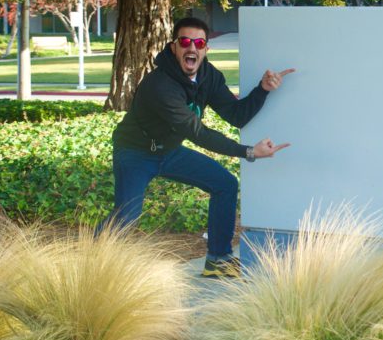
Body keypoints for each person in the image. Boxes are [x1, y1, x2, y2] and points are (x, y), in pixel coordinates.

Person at [104, 16, 293, 277]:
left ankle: (218, 259)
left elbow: (236, 115)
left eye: (199, 42)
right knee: (126, 218)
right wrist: (248, 151)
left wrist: (263, 89)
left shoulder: (208, 76)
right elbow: (197, 133)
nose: (191, 47)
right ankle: (89, 261)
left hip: (168, 151)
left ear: (205, 49)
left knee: (224, 183)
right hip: (135, 153)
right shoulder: (160, 85)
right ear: (174, 47)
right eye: (185, 41)